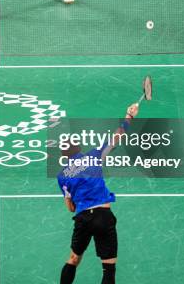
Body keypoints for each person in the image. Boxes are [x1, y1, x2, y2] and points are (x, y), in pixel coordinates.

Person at [57, 103, 140, 284]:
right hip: (103, 216)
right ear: (78, 149)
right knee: (108, 268)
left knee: (73, 259)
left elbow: (70, 208)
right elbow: (117, 137)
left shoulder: (62, 176)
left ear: (64, 156)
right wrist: (129, 116)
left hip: (83, 218)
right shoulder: (93, 156)